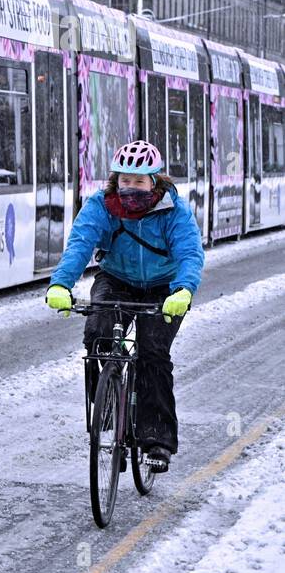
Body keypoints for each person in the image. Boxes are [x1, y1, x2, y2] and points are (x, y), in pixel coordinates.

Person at [44, 139, 204, 472]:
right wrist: (60, 283)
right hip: (117, 278)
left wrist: (183, 291)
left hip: (164, 287)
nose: (130, 188)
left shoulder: (174, 210)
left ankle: (157, 440)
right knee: (97, 336)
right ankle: (107, 407)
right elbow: (80, 243)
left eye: (139, 181)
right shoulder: (101, 205)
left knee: (152, 353)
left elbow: (189, 254)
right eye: (124, 180)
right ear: (115, 179)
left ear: (155, 181)